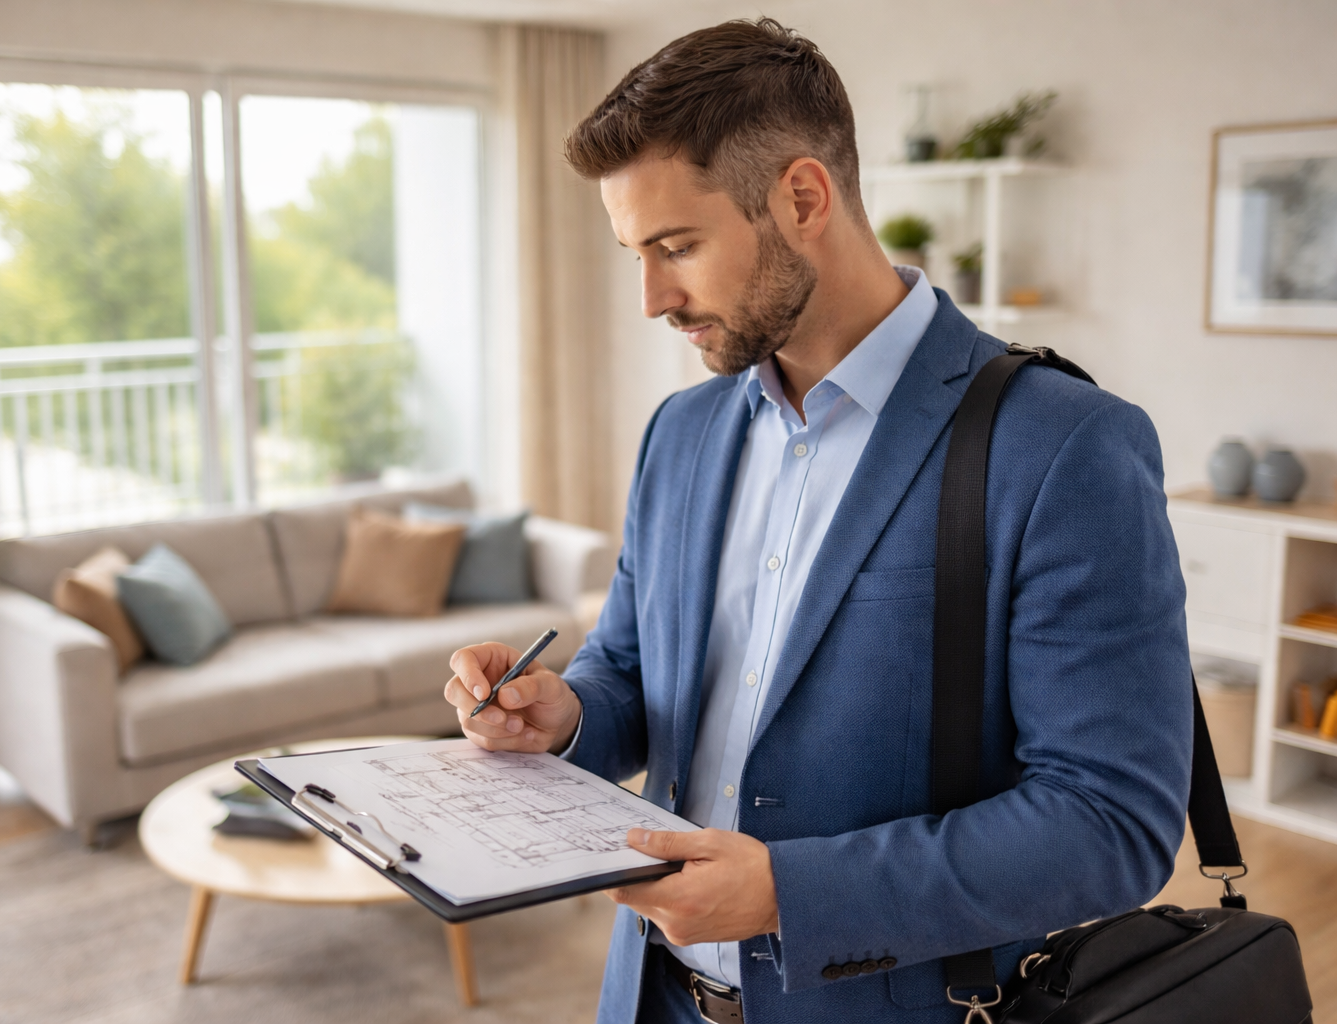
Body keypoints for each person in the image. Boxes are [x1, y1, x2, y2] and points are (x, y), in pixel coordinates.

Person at [442, 18, 1192, 1024]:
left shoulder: (1063, 447)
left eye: (676, 247)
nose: (652, 298)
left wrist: (787, 894)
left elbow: (1111, 822)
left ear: (802, 197)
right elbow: (628, 669)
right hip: (652, 996)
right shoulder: (682, 431)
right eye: (635, 253)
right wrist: (564, 714)